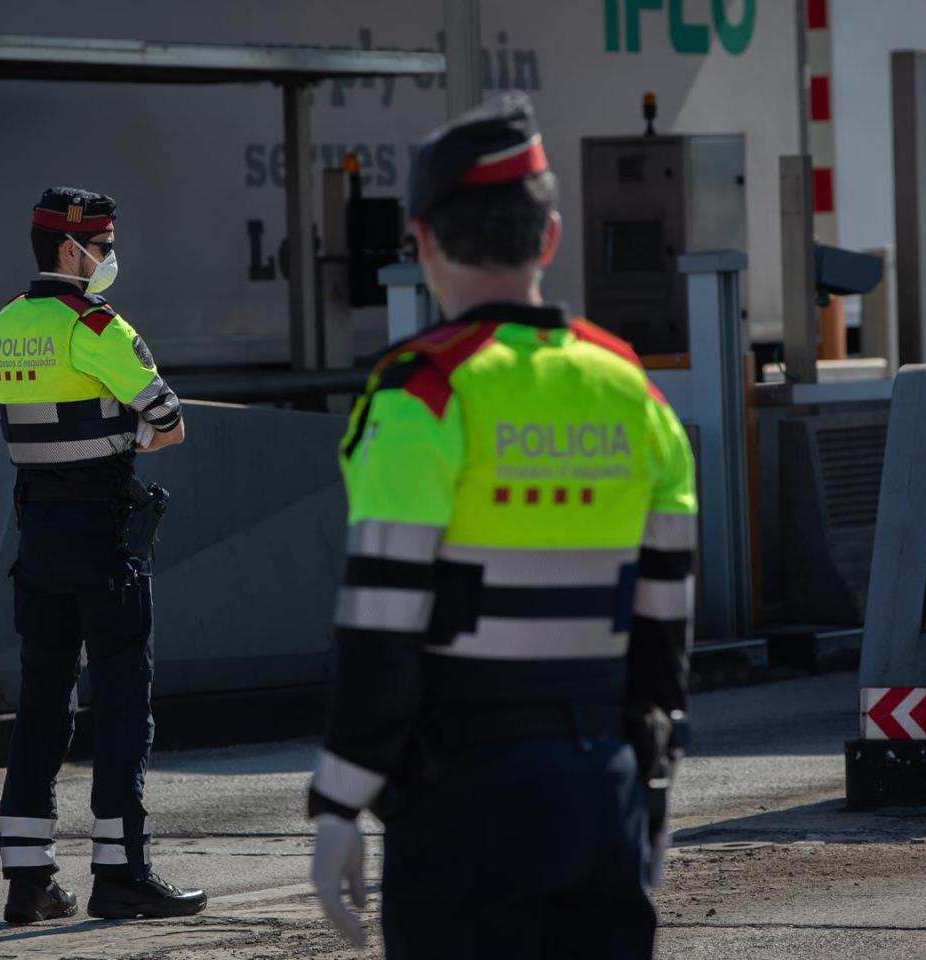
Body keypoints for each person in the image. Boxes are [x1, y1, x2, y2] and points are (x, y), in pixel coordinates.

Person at [306, 93, 697, 958]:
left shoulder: (422, 393)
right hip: (605, 788)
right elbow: (663, 626)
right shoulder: (632, 389)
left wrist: (339, 798)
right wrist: (653, 786)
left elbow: (382, 620)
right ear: (550, 238)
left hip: (462, 804)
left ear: (422, 240)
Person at [0, 186, 206, 924]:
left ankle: (28, 879)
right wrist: (129, 441)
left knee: (42, 704)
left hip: (37, 535)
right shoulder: (97, 325)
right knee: (121, 706)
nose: (109, 258)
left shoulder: (8, 323)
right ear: (71, 250)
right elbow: (169, 422)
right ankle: (121, 871)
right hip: (101, 538)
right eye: (103, 247)